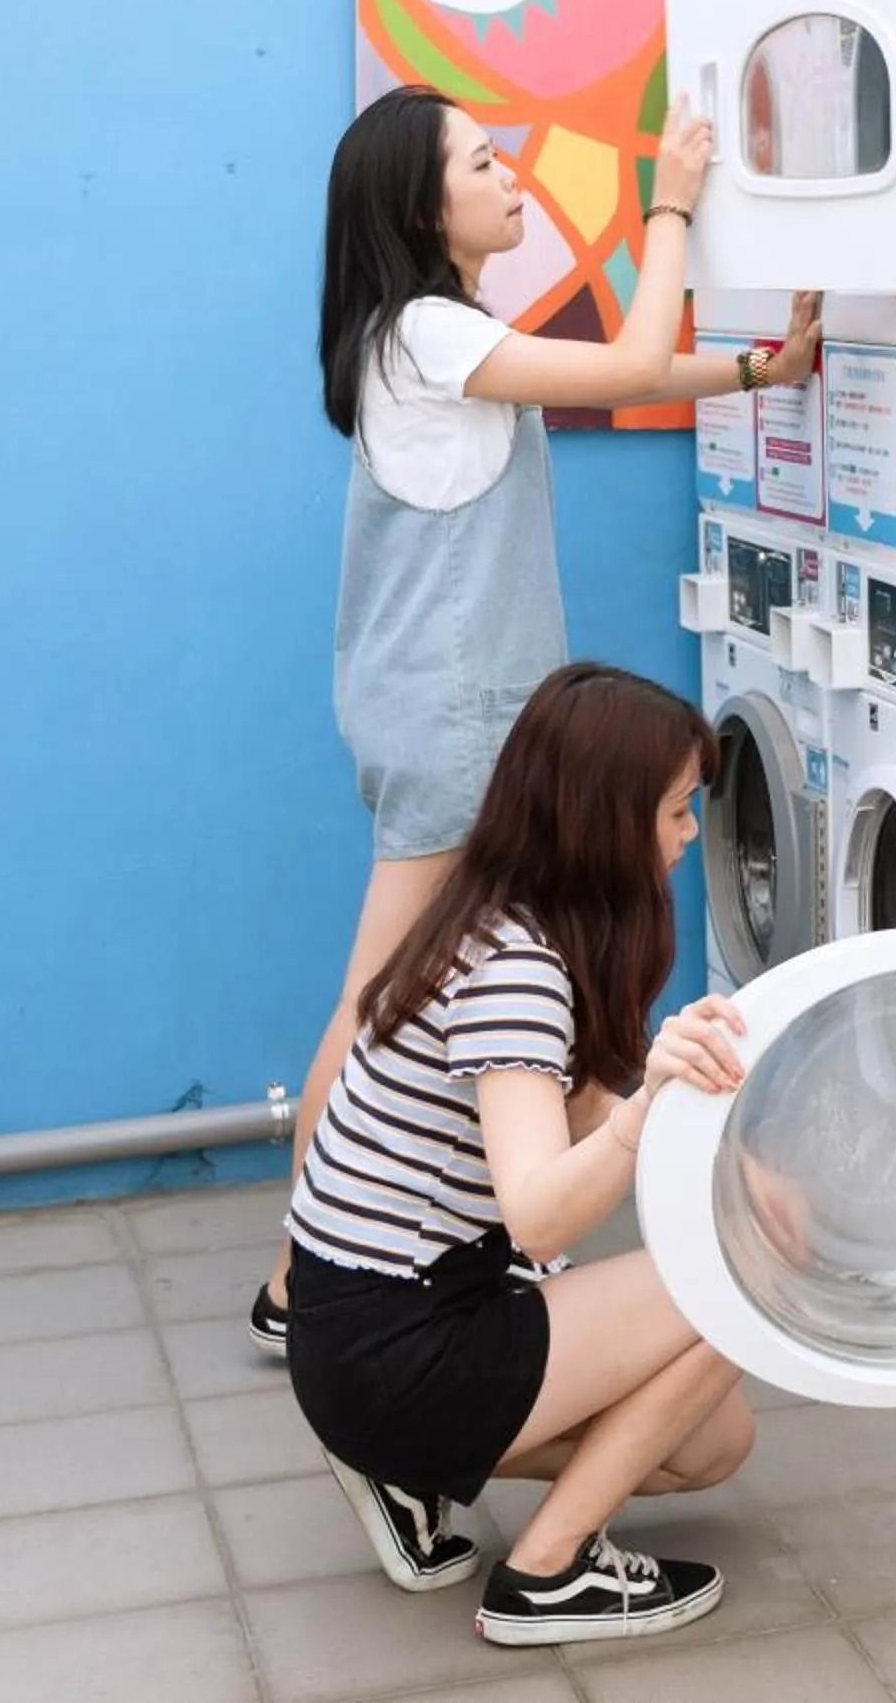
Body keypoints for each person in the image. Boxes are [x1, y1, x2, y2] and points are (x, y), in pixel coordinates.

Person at [250, 82, 821, 1355]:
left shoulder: (437, 337)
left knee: (419, 997)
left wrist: (758, 368)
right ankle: (307, 1287)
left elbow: (616, 374)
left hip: (454, 717)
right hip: (454, 724)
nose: (512, 177)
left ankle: (396, 1261)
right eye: (483, 161)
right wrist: (667, 205)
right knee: (377, 1008)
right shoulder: (425, 335)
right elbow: (622, 363)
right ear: (420, 205)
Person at [284, 660, 762, 1646]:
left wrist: (713, 1141)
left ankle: (404, 1466)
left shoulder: (501, 915)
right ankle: (547, 1574)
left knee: (712, 1444)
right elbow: (540, 1211)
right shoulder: (519, 974)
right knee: (751, 1281)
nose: (686, 836)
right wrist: (657, 1106)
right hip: (395, 1343)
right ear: (602, 818)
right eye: (676, 811)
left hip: (369, 1323)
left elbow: (580, 1126)